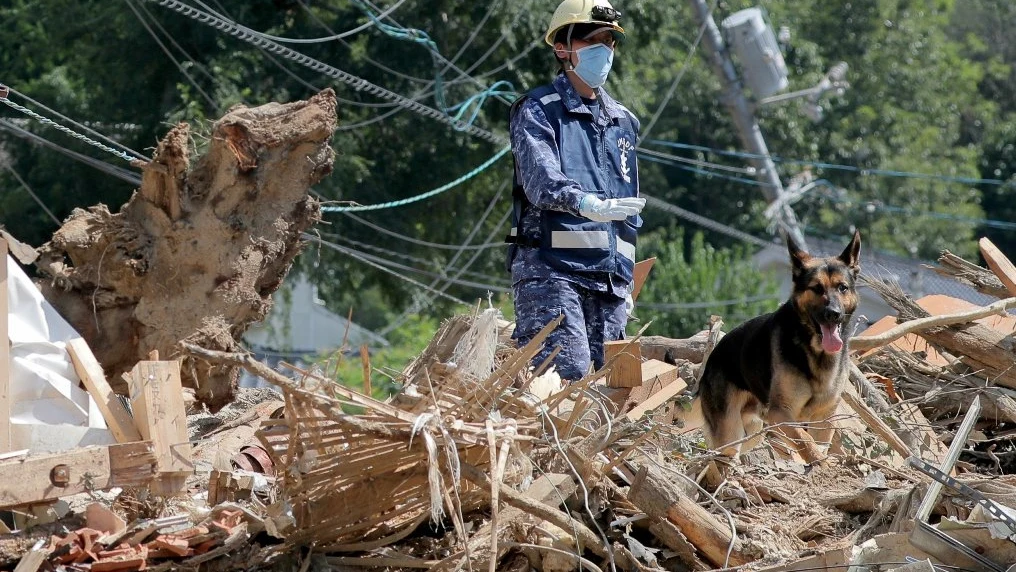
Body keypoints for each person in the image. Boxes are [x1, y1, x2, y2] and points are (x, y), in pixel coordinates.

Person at [506, 0, 645, 381]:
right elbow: (542, 183)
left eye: (610, 41)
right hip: (552, 272)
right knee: (562, 389)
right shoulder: (537, 110)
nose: (604, 49)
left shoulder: (623, 122)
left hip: (610, 282)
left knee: (608, 398)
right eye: (593, 39)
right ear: (562, 48)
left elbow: (628, 210)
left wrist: (626, 277)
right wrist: (585, 203)